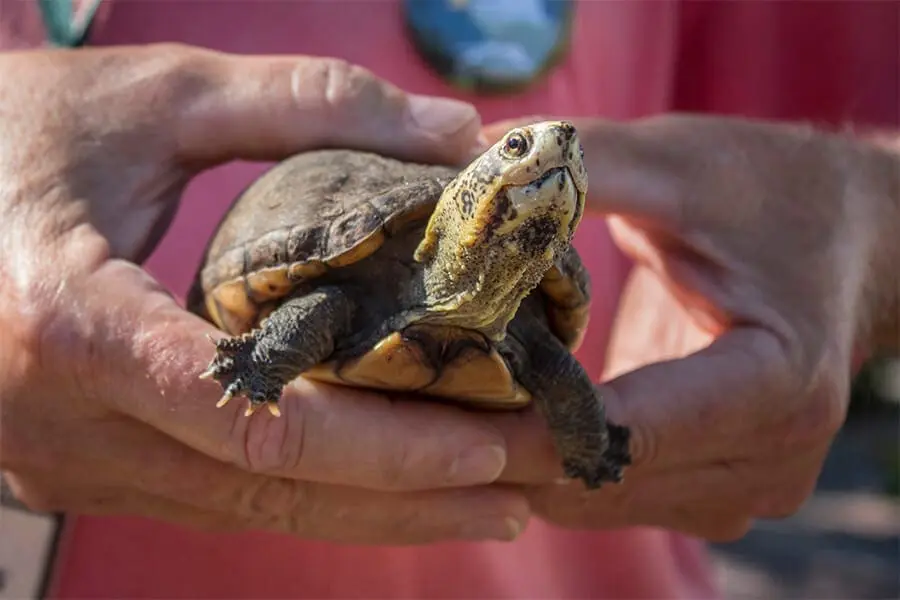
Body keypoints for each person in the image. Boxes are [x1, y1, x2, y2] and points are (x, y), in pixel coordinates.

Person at [0, 1, 897, 598]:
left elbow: (557, 374)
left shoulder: (524, 336)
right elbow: (322, 309)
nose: (548, 154)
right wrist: (255, 369)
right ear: (467, 203)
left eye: (561, 163)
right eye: (517, 156)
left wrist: (862, 217)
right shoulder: (363, 288)